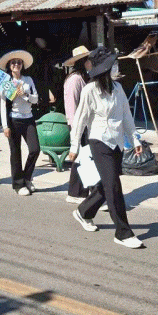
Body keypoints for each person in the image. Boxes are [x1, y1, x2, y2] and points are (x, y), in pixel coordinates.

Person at [67, 47, 144, 249]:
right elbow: (80, 120)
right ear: (104, 69)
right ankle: (123, 233)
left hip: (117, 142)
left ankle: (84, 211)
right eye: (113, 65)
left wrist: (135, 139)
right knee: (114, 186)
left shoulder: (118, 88)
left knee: (107, 183)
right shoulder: (89, 90)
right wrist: (74, 146)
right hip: (99, 140)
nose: (116, 67)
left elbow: (126, 116)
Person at [0, 50, 40, 196]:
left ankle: (27, 178)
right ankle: (18, 184)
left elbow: (36, 99)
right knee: (15, 152)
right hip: (13, 119)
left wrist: (25, 95)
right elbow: (3, 105)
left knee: (35, 149)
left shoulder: (28, 80)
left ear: (22, 65)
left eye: (19, 62)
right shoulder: (6, 83)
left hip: (28, 118)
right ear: (9, 66)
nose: (16, 64)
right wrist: (5, 126)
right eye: (13, 62)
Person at [63, 46, 92, 204]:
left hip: (84, 124)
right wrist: (75, 130)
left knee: (85, 158)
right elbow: (72, 106)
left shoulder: (83, 77)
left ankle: (82, 191)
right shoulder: (74, 79)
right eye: (88, 60)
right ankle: (75, 193)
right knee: (80, 158)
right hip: (77, 124)